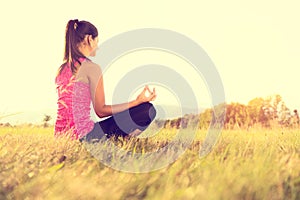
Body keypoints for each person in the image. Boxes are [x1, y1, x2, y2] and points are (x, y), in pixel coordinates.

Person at [54, 19, 157, 142]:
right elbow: (101, 111)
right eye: (96, 41)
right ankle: (120, 142)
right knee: (148, 110)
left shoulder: (61, 69)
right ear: (89, 39)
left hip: (60, 137)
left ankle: (117, 141)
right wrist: (137, 101)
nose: (97, 46)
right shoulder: (91, 68)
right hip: (84, 137)